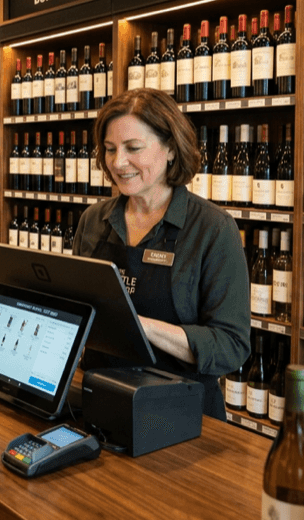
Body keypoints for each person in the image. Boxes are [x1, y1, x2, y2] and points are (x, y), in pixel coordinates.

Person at [73, 88, 249, 420]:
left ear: (170, 148)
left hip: (181, 420)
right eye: (110, 150)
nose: (118, 162)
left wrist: (137, 326)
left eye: (133, 148)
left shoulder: (214, 229)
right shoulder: (93, 220)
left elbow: (231, 347)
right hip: (100, 402)